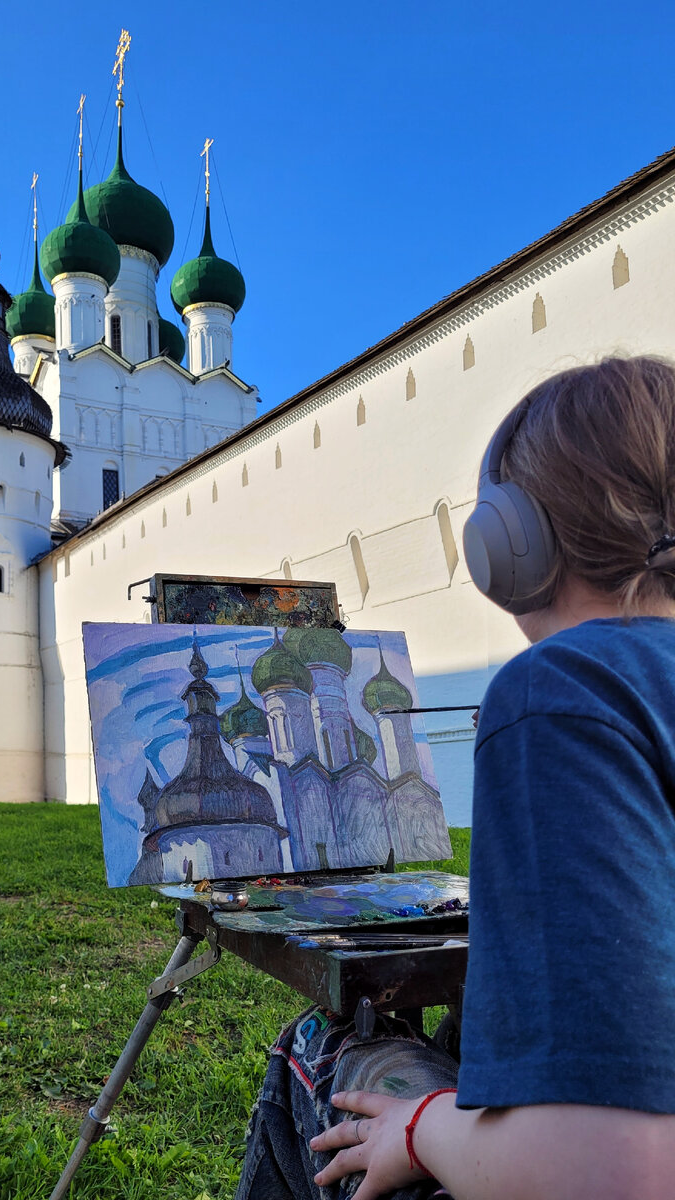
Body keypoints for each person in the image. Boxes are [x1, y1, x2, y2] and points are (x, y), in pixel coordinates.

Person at [234, 356, 675, 1200]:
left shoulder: (567, 689)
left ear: (508, 544)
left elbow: (613, 1168)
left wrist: (424, 1123)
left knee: (317, 1053)